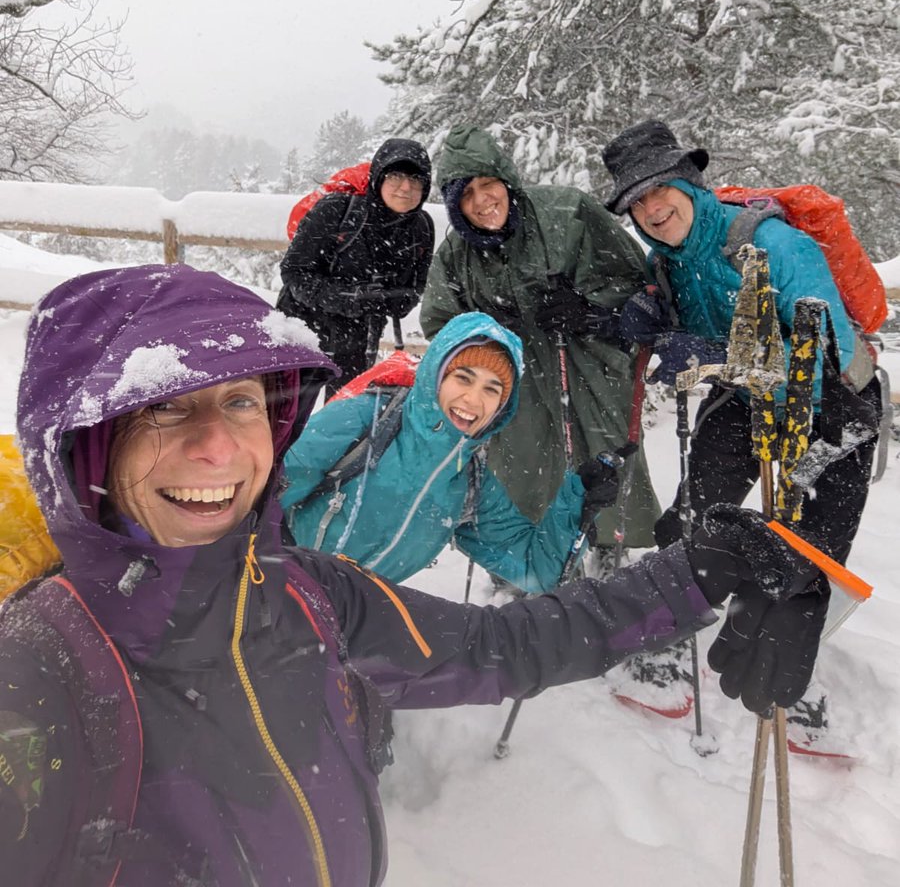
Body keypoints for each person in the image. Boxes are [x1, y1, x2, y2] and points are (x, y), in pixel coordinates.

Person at [1, 263, 823, 884]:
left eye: (242, 402)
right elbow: (281, 483)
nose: (218, 446)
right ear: (84, 440)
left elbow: (518, 614)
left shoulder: (332, 586)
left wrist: (684, 559)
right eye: (165, 405)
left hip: (343, 640)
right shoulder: (34, 677)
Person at [602, 119, 882, 710]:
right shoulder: (669, 262)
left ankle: (792, 683)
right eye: (636, 202)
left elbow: (824, 356)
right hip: (746, 395)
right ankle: (668, 631)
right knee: (693, 516)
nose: (651, 209)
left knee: (806, 556)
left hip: (835, 406)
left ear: (690, 182)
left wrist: (710, 354)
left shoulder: (777, 244)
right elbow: (704, 327)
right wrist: (655, 318)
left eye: (659, 190)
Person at [420, 123, 658, 553]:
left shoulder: (566, 213)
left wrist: (589, 309)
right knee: (524, 469)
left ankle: (613, 546)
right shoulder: (456, 255)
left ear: (507, 180)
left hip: (588, 365)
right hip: (516, 382)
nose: (482, 200)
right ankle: (531, 558)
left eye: (488, 184)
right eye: (466, 194)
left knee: (604, 457)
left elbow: (634, 282)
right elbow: (441, 323)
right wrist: (484, 340)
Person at [280, 312, 609, 590]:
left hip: (352, 626)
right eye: (463, 378)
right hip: (279, 595)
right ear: (436, 375)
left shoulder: (469, 481)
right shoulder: (365, 420)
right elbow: (263, 495)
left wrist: (578, 503)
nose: (473, 399)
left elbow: (534, 569)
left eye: (491, 389)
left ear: (502, 406)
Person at [279, 137, 435, 395]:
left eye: (416, 179)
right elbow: (294, 272)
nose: (406, 187)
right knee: (286, 411)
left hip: (358, 340)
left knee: (342, 412)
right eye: (395, 176)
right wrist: (345, 297)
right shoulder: (338, 210)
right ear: (379, 177)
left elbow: (415, 286)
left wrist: (394, 299)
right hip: (303, 329)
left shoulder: (421, 227)